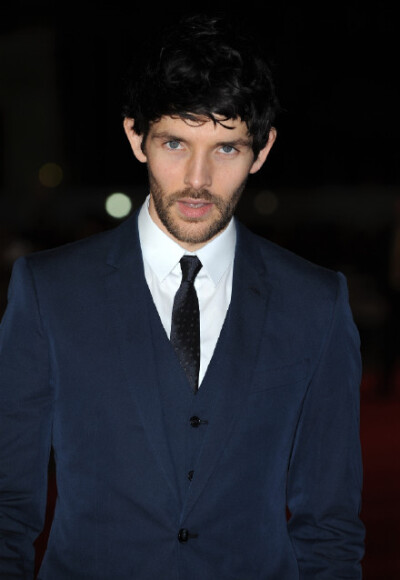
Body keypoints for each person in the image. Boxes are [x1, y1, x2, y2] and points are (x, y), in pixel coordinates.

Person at [0, 13, 365, 579]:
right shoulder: (48, 292)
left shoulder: (315, 302)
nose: (197, 179)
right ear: (134, 135)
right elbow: (7, 508)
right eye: (175, 142)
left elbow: (331, 524)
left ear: (262, 150)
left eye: (225, 149)